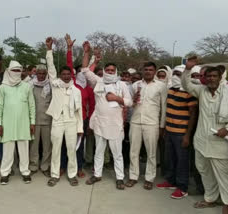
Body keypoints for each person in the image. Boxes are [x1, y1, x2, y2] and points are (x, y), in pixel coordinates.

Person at [82, 41, 133, 190]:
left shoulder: (121, 84)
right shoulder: (99, 81)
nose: (110, 72)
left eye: (112, 70)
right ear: (104, 70)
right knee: (98, 151)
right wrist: (86, 52)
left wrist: (117, 99)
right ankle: (97, 175)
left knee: (117, 154)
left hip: (115, 125)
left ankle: (119, 178)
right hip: (100, 123)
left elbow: (129, 102)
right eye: (108, 70)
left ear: (115, 72)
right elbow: (85, 69)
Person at [182, 57, 228, 214]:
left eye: (215, 76)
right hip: (202, 140)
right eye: (208, 76)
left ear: (220, 77)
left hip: (220, 142)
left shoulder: (227, 92)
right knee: (204, 171)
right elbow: (186, 85)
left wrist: (227, 129)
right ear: (205, 78)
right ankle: (210, 198)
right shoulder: (201, 91)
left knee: (223, 175)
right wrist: (188, 69)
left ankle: (227, 203)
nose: (211, 79)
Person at [45, 37, 83, 187]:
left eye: (68, 74)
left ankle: (72, 174)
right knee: (56, 149)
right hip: (57, 121)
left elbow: (79, 112)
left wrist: (80, 128)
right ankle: (54, 174)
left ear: (71, 75)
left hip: (72, 122)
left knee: (71, 150)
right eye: (64, 74)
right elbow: (51, 68)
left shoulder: (76, 91)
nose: (66, 76)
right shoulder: (55, 85)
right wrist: (49, 50)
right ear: (61, 75)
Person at [156, 66, 198, 199]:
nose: (175, 76)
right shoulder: (170, 91)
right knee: (170, 159)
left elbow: (193, 115)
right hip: (169, 131)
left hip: (181, 133)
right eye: (174, 73)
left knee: (182, 161)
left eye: (179, 74)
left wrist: (187, 135)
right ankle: (171, 181)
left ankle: (182, 187)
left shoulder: (189, 92)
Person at [126, 61, 168, 190]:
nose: (148, 72)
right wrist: (133, 101)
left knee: (151, 152)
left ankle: (149, 178)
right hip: (135, 121)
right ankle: (133, 176)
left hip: (152, 123)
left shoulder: (161, 86)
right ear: (142, 71)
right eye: (146, 70)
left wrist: (161, 126)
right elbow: (129, 104)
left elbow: (164, 107)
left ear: (154, 72)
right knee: (134, 151)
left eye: (150, 70)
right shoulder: (135, 85)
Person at [60, 34, 95, 178]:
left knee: (79, 146)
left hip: (82, 120)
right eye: (80, 71)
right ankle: (63, 166)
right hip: (68, 118)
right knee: (64, 144)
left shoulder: (89, 89)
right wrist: (69, 48)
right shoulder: (72, 83)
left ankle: (79, 168)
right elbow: (69, 64)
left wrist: (89, 123)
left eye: (84, 72)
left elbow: (92, 107)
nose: (82, 73)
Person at [0, 60, 35, 185]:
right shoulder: (3, 87)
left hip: (24, 123)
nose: (16, 73)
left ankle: (25, 172)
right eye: (14, 70)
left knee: (24, 150)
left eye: (19, 70)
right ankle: (5, 173)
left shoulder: (26, 86)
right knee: (7, 151)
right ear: (9, 71)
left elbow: (32, 106)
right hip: (7, 124)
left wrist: (32, 122)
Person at [28, 64, 52, 177]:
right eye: (39, 73)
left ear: (46, 74)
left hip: (47, 120)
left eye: (43, 73)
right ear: (36, 74)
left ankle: (45, 166)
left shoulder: (51, 85)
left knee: (47, 146)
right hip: (34, 121)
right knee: (33, 146)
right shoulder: (30, 85)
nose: (41, 75)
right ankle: (33, 166)